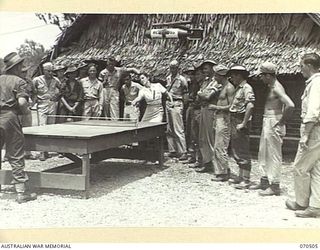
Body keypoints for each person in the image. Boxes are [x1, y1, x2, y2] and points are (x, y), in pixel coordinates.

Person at [250, 62, 294, 196]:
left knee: (274, 154)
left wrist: (281, 122)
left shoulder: (277, 88)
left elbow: (290, 105)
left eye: (262, 76)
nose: (261, 79)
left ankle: (275, 185)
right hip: (268, 119)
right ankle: (264, 180)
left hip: (274, 120)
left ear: (268, 75)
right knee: (263, 152)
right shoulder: (270, 86)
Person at [286, 53, 320, 218]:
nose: (300, 70)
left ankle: (302, 202)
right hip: (316, 129)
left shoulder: (316, 83)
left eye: (301, 66)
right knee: (316, 169)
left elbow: (313, 112)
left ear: (308, 65)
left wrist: (305, 135)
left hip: (313, 130)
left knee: (300, 167)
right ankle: (315, 206)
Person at [0, 52, 37, 203]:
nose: (22, 68)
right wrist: (26, 113)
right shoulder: (19, 82)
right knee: (15, 154)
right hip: (10, 118)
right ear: (15, 68)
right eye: (21, 66)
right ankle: (21, 193)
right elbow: (22, 103)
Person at [227, 65, 255, 189]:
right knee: (236, 148)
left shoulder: (246, 88)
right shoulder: (239, 88)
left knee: (242, 149)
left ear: (239, 75)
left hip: (240, 119)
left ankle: (246, 179)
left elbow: (250, 106)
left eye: (233, 75)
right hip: (235, 118)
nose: (232, 78)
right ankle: (240, 176)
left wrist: (244, 123)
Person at [209, 65, 235, 181]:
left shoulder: (229, 88)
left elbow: (232, 106)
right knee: (217, 146)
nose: (214, 77)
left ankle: (223, 172)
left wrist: (216, 107)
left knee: (221, 146)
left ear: (221, 76)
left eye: (216, 75)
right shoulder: (222, 87)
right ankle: (221, 170)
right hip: (218, 117)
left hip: (224, 119)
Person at [32, 62, 62, 161]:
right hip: (42, 104)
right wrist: (34, 101)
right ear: (43, 70)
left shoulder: (56, 80)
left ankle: (47, 150)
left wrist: (56, 97)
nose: (50, 73)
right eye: (48, 71)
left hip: (52, 104)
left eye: (52, 71)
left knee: (51, 127)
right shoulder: (37, 80)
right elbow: (32, 92)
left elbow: (62, 90)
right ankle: (42, 152)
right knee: (42, 127)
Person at [196, 60, 222, 173]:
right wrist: (201, 94)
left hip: (211, 110)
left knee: (211, 137)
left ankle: (215, 164)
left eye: (206, 68)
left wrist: (200, 93)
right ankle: (207, 162)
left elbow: (206, 95)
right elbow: (201, 95)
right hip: (203, 109)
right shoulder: (206, 81)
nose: (204, 71)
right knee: (203, 137)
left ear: (212, 69)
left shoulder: (217, 82)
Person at [166, 60, 188, 160]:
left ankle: (183, 151)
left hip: (177, 103)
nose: (172, 69)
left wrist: (184, 106)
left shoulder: (182, 79)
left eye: (174, 67)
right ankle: (172, 150)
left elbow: (185, 94)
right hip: (168, 103)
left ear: (178, 68)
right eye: (171, 67)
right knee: (169, 128)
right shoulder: (168, 78)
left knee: (178, 128)